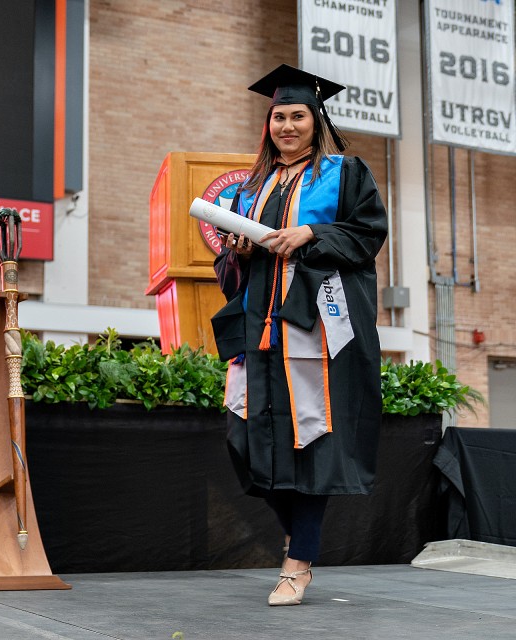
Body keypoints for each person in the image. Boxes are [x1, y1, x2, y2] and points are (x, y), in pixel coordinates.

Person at [211, 64, 387, 606]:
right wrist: (235, 253)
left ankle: (297, 562)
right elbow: (228, 265)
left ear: (316, 120)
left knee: (311, 440)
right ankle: (301, 538)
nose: (287, 126)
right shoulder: (250, 188)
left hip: (313, 333)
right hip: (257, 331)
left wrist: (312, 232)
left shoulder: (344, 173)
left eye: (297, 116)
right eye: (278, 117)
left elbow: (368, 234)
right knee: (243, 439)